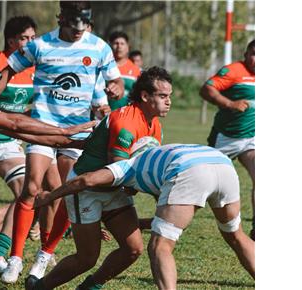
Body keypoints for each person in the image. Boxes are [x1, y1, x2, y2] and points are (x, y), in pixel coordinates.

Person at [0, 1, 125, 284]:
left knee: (69, 192)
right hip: (43, 127)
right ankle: (15, 259)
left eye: (83, 27)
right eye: (73, 26)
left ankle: (45, 254)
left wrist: (116, 87)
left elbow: (116, 81)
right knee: (31, 186)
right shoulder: (40, 45)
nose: (79, 32)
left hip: (77, 133)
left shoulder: (99, 47)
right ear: (62, 18)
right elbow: (8, 69)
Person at [26, 66, 172, 290]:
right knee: (87, 258)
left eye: (169, 96)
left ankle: (90, 286)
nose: (168, 101)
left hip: (114, 189)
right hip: (86, 189)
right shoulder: (126, 123)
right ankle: (40, 287)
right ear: (145, 96)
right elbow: (118, 169)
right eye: (162, 96)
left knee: (133, 249)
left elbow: (139, 171)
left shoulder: (155, 125)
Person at [33, 143, 255, 290]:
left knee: (160, 247)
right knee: (236, 235)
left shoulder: (131, 164)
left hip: (190, 170)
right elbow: (176, 219)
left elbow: (86, 180)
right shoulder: (161, 158)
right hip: (223, 164)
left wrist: (48, 196)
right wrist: (136, 223)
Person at [0, 16, 41, 274]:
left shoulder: (36, 68)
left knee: (28, 190)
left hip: (7, 146)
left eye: (33, 38)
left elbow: (22, 110)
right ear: (11, 40)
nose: (30, 43)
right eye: (25, 38)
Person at [199, 39, 255, 240]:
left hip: (252, 139)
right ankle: (174, 217)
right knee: (204, 181)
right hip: (226, 137)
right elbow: (207, 89)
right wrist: (229, 103)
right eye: (254, 54)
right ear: (246, 54)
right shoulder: (233, 71)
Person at [108, 31, 141, 111]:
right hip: (104, 116)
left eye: (122, 43)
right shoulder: (104, 67)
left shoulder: (136, 70)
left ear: (128, 47)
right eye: (116, 43)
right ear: (110, 46)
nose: (119, 46)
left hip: (127, 117)